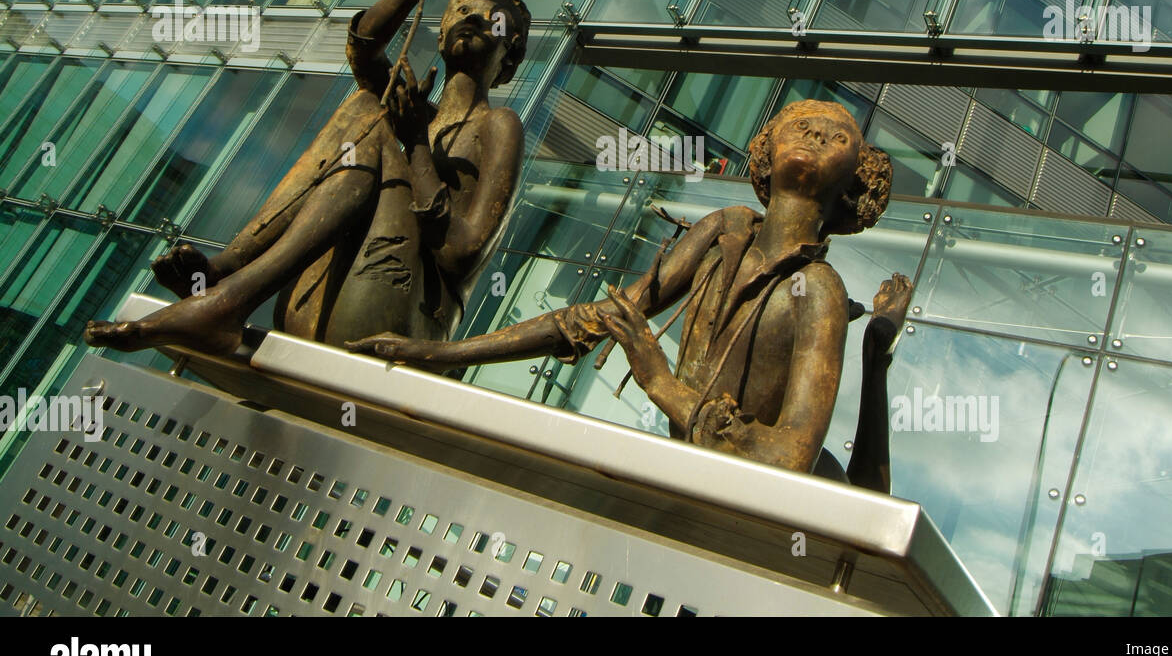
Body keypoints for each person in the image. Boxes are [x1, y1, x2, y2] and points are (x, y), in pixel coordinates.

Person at [348, 99, 913, 475]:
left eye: (836, 135)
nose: (814, 133)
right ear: (766, 149)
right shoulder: (726, 228)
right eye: (801, 123)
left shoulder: (820, 289)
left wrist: (660, 380)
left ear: (853, 181)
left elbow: (791, 456)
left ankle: (877, 352)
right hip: (678, 476)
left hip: (747, 516)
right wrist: (441, 353)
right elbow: (595, 319)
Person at [85, 0, 529, 355]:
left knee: (371, 117)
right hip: (321, 299)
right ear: (439, 34)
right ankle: (226, 273)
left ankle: (225, 293)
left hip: (400, 318)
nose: (472, 16)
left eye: (492, 18)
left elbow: (461, 255)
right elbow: (362, 50)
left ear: (510, 55)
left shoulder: (498, 124)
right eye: (461, 7)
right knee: (364, 103)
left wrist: (414, 143)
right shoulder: (412, 109)